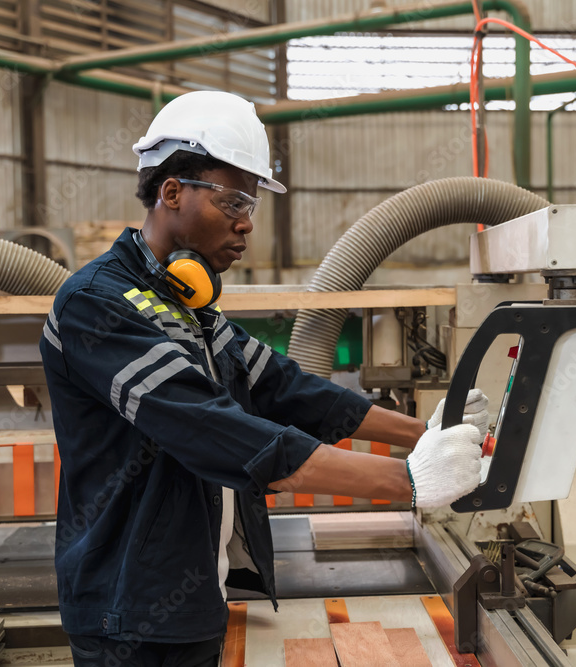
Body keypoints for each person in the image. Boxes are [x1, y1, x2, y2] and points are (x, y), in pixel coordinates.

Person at [39, 90, 488, 667]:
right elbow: (214, 430)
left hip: (191, 593)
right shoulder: (96, 305)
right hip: (129, 610)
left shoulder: (186, 304)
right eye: (231, 202)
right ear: (171, 192)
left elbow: (285, 386)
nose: (247, 222)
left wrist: (427, 430)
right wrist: (409, 482)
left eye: (251, 203)